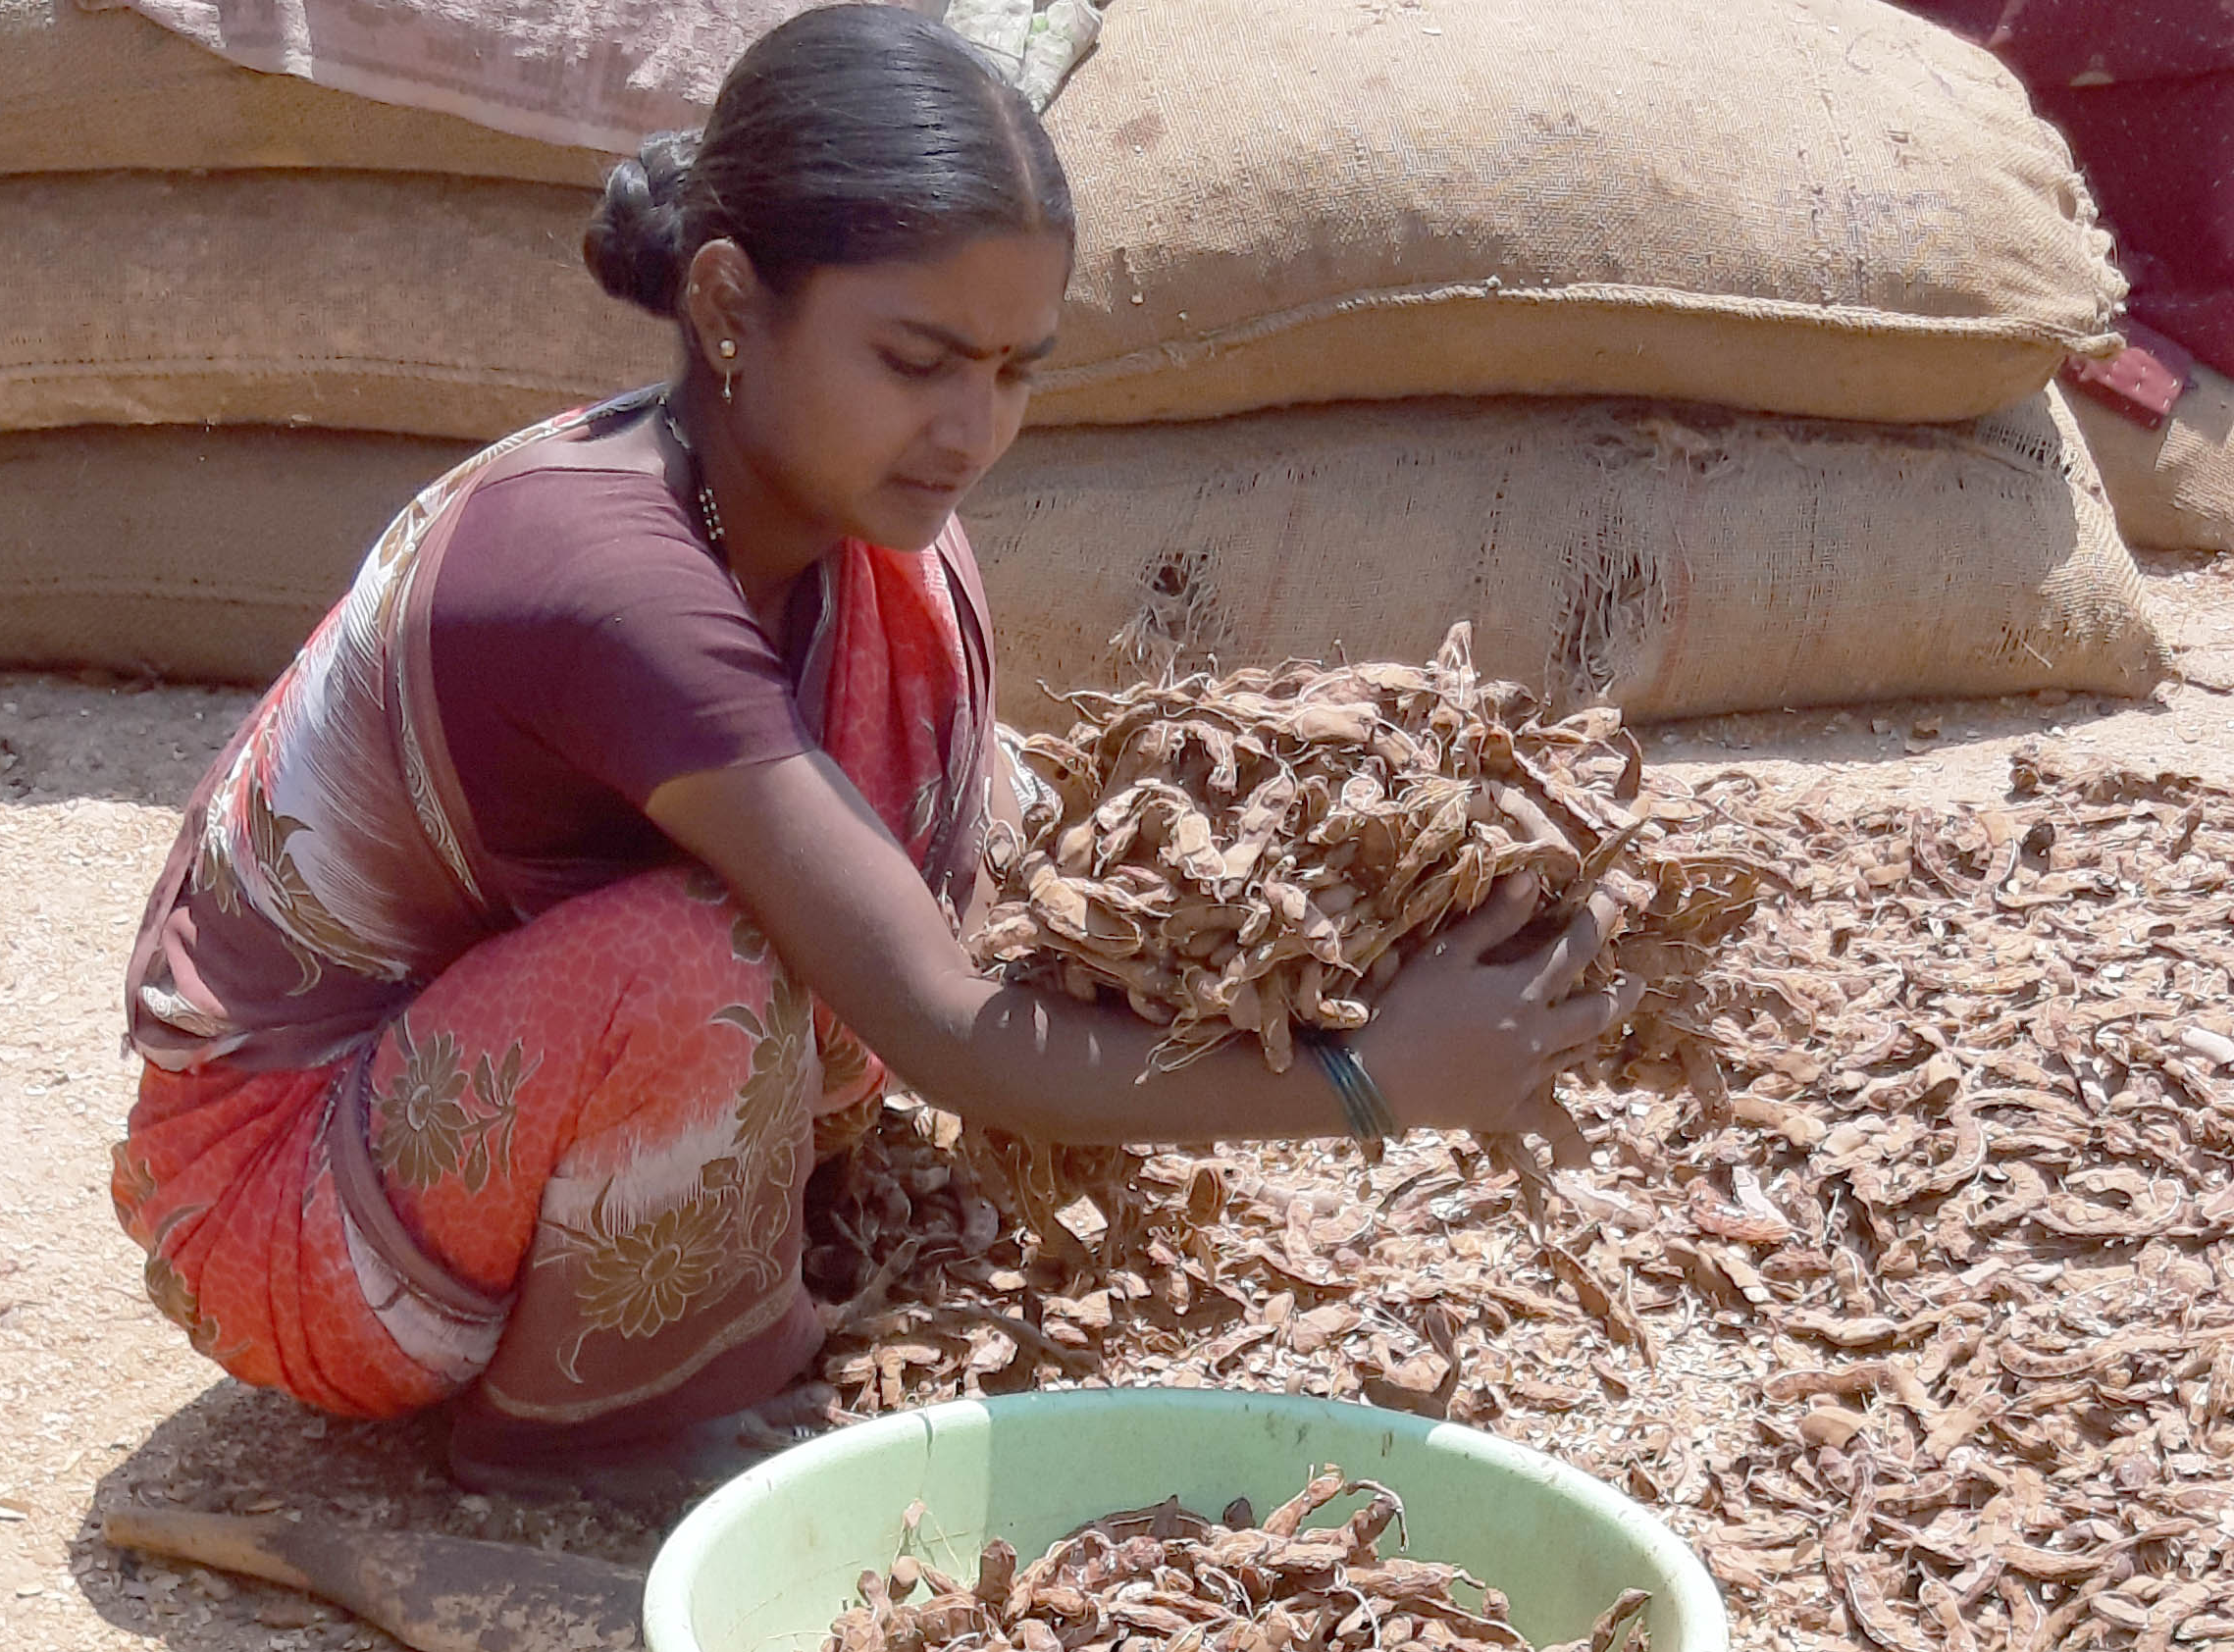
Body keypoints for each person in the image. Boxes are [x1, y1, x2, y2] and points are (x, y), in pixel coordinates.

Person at [114, 2, 1624, 1504]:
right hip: (286, 1209)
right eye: (915, 360)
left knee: (828, 880)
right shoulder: (596, 580)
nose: (971, 427)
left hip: (478, 1114)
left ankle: (683, 1276)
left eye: (1017, 371)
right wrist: (1375, 1081)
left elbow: (980, 883)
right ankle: (590, 1445)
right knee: (693, 960)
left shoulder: (862, 548)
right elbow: (947, 1028)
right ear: (726, 306)